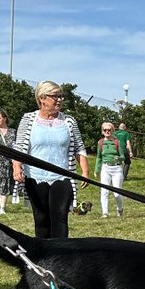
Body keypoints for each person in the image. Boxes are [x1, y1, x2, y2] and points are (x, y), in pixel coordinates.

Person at [13, 82, 88, 239]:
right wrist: (16, 167)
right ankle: (44, 257)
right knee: (41, 220)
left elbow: (79, 148)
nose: (59, 100)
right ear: (42, 98)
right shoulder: (28, 119)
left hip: (62, 176)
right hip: (35, 177)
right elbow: (19, 147)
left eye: (61, 96)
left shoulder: (69, 121)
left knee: (60, 218)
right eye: (55, 96)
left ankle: (61, 256)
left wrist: (85, 172)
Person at [95, 120, 126, 217]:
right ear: (102, 131)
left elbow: (123, 157)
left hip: (116, 168)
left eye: (109, 130)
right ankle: (105, 213)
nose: (107, 131)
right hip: (105, 168)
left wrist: (119, 158)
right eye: (105, 130)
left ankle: (120, 209)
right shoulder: (100, 143)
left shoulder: (117, 142)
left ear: (113, 131)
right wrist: (97, 169)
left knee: (117, 193)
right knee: (104, 191)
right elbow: (99, 157)